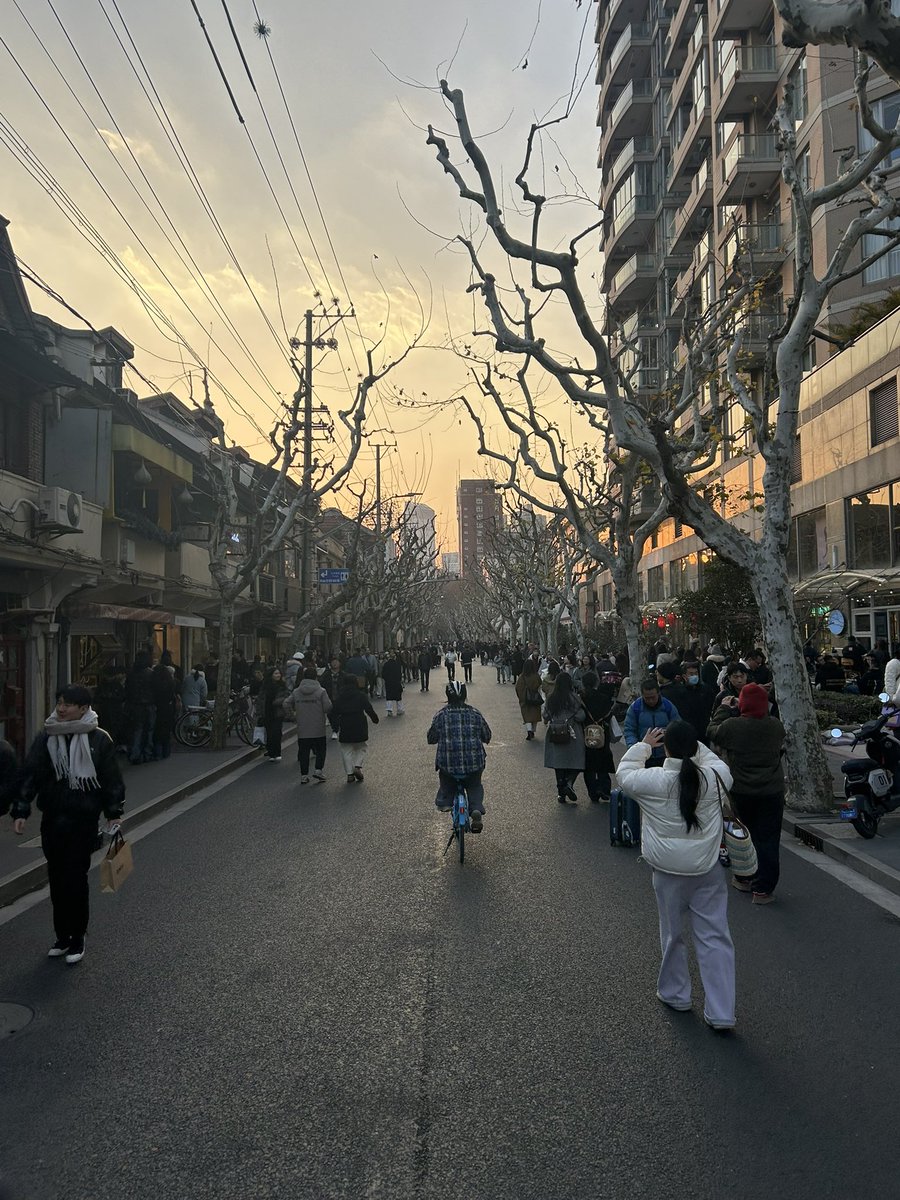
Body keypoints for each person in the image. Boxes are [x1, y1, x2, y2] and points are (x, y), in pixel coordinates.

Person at [615, 720, 736, 1030]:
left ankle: (676, 994)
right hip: (707, 870)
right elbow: (716, 763)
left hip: (667, 872)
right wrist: (694, 746)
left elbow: (624, 774)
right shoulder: (714, 778)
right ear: (696, 748)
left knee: (672, 934)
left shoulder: (653, 780)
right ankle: (721, 1012)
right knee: (715, 937)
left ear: (666, 748)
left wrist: (644, 745)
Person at [11, 685, 125, 965]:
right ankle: (62, 936)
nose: (61, 709)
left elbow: (111, 779)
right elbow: (31, 774)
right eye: (60, 703)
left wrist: (113, 811)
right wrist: (21, 809)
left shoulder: (99, 739)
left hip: (83, 820)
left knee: (75, 878)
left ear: (84, 708)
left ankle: (77, 936)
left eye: (68, 704)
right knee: (57, 878)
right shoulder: (47, 737)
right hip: (52, 818)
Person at [707, 683, 786, 905]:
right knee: (768, 839)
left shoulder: (733, 726)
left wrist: (724, 708)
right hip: (771, 791)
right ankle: (763, 889)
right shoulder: (775, 726)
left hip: (741, 790)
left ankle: (744, 878)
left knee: (742, 837)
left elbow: (712, 730)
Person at [427, 681, 492, 833]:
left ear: (447, 695)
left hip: (448, 765)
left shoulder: (441, 715)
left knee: (446, 781)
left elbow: (431, 738)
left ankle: (445, 801)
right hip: (473, 764)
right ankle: (476, 808)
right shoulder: (475, 714)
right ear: (464, 695)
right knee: (474, 785)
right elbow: (487, 736)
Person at [542, 670, 586, 804]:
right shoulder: (575, 698)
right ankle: (569, 782)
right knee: (578, 761)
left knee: (558, 764)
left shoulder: (551, 698)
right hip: (573, 733)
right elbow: (581, 716)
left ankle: (561, 792)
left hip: (555, 733)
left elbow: (545, 715)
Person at [284, 666, 333, 783]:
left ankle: (304, 775)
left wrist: (292, 715)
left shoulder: (296, 692)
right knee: (320, 750)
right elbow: (328, 707)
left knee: (304, 752)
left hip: (303, 727)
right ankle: (318, 770)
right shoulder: (321, 691)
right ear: (316, 677)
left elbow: (286, 703)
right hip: (318, 727)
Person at [331, 672, 380, 782]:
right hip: (359, 723)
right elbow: (368, 708)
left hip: (345, 723)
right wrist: (375, 719)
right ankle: (357, 766)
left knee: (346, 750)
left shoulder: (340, 696)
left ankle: (349, 774)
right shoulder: (360, 695)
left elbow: (334, 712)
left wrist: (335, 725)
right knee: (362, 747)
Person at [623, 679, 680, 766]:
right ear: (642, 695)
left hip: (665, 755)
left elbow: (677, 727)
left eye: (653, 697)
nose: (651, 701)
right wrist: (634, 748)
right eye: (647, 698)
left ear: (658, 693)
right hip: (644, 755)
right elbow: (629, 730)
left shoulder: (668, 706)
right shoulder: (635, 708)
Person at [660, 661, 717, 746]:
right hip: (688, 730)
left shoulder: (705, 690)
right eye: (691, 674)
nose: (694, 676)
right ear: (684, 676)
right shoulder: (681, 692)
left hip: (704, 730)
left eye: (696, 673)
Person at [580, 670, 616, 803]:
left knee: (589, 763)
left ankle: (593, 791)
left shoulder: (581, 698)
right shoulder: (604, 698)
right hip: (602, 731)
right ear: (596, 682)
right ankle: (604, 788)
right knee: (603, 758)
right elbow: (609, 714)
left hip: (586, 732)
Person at [124, 650, 155, 764]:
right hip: (148, 704)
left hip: (135, 705)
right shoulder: (150, 673)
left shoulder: (131, 673)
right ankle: (147, 753)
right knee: (149, 730)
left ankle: (135, 754)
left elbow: (128, 689)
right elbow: (155, 689)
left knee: (137, 730)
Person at [258, 667, 289, 762]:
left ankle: (277, 752)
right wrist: (260, 711)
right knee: (269, 733)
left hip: (278, 712)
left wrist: (277, 701)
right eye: (276, 673)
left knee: (277, 733)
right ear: (271, 675)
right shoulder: (265, 686)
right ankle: (271, 752)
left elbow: (286, 697)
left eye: (279, 673)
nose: (278, 675)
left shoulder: (282, 686)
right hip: (267, 712)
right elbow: (260, 699)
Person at [151, 659, 177, 760]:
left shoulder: (154, 683)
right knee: (166, 731)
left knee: (157, 732)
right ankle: (166, 752)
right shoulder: (171, 682)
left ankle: (157, 753)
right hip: (168, 708)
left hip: (157, 708)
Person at [515, 656, 544, 741]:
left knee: (527, 716)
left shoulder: (522, 676)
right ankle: (533, 730)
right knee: (534, 716)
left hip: (525, 699)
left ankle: (529, 730)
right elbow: (540, 684)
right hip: (535, 698)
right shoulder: (536, 675)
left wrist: (522, 697)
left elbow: (518, 688)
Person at [381, 650, 405, 717]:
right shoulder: (397, 664)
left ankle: (389, 710)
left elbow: (383, 674)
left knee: (389, 697)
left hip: (389, 683)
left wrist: (386, 679)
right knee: (398, 697)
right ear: (394, 657)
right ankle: (399, 710)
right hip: (396, 683)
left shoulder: (386, 664)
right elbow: (399, 674)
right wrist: (399, 680)